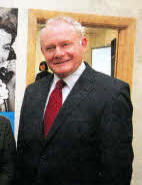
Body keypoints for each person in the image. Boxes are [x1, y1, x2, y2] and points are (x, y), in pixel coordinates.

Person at [17, 16, 133, 185]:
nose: (58, 53)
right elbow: (23, 155)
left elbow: (117, 171)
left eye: (65, 44)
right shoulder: (33, 92)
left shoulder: (112, 93)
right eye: (50, 48)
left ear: (83, 43)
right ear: (43, 51)